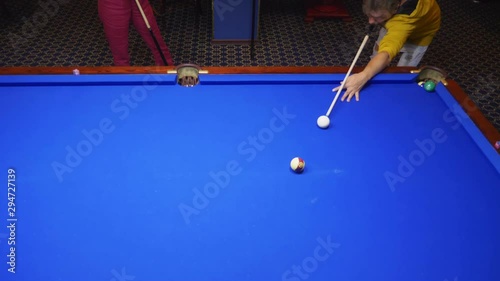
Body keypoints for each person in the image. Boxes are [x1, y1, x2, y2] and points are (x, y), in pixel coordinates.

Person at [335, 0, 441, 102]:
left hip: (421, 33)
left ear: (396, 8)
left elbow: (386, 54)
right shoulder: (388, 15)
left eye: (378, 17)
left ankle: (394, 97)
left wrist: (364, 76)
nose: (370, 21)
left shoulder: (402, 22)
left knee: (403, 70)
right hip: (392, 21)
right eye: (369, 15)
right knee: (377, 56)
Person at [98, 0, 174, 66]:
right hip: (113, 3)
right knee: (121, 58)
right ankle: (125, 80)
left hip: (139, 2)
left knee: (158, 45)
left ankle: (170, 77)